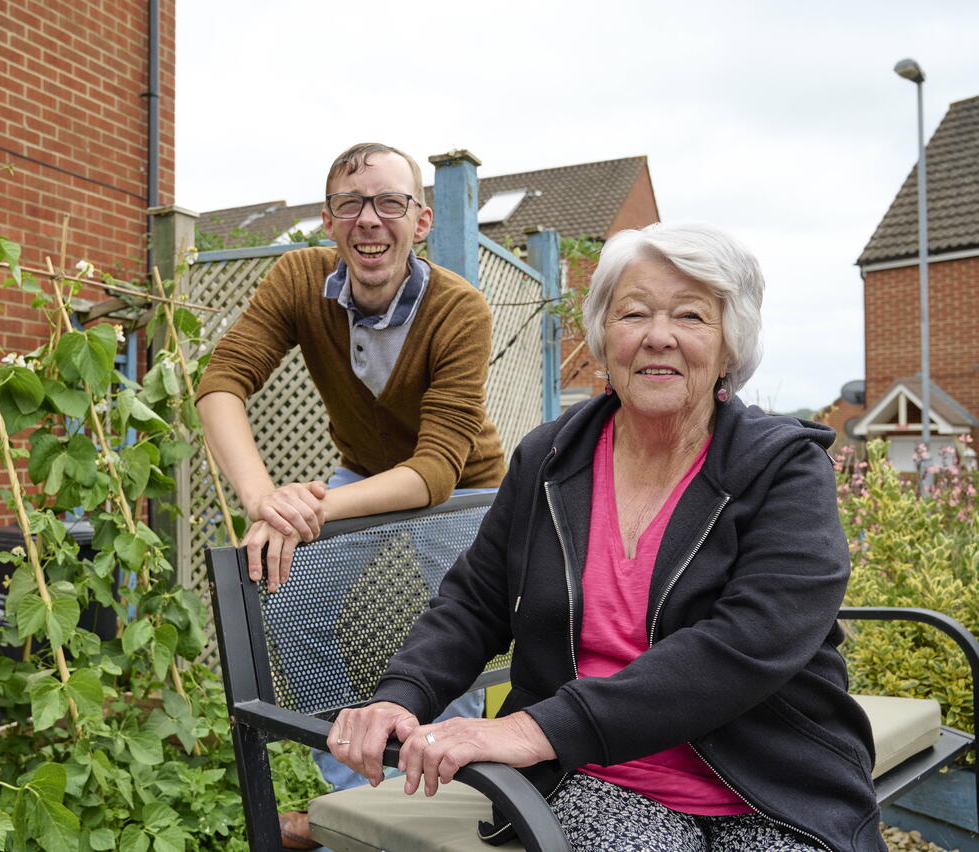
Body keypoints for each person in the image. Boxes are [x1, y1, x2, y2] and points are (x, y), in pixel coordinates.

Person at [327, 222, 885, 852]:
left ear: (729, 345)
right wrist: (405, 694)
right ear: (603, 336)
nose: (658, 336)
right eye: (634, 312)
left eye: (691, 315)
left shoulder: (782, 467)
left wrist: (537, 727)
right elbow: (476, 598)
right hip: (591, 774)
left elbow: (750, 640)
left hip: (767, 780)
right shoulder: (550, 458)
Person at [195, 142, 504, 848]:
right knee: (293, 605)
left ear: (420, 220)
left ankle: (436, 802)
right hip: (364, 470)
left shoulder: (460, 309)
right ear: (328, 221)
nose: (370, 219)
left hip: (462, 485)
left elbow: (432, 471)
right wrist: (263, 499)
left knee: (455, 636)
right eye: (350, 204)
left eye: (389, 202)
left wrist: (313, 509)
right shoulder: (299, 279)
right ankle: (354, 793)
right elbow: (222, 382)